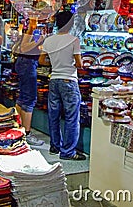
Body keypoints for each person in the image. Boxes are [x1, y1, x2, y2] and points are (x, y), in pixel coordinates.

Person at [39, 11, 86, 160]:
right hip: (69, 81)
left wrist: (53, 63)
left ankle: (55, 146)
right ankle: (68, 152)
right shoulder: (74, 40)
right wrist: (73, 63)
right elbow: (79, 64)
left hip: (54, 80)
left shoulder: (49, 40)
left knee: (54, 115)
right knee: (72, 117)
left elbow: (41, 61)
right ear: (70, 24)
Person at [14, 19, 45, 146]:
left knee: (23, 98)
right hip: (27, 64)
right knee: (29, 99)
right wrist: (39, 41)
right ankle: (26, 133)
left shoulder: (30, 31)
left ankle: (18, 127)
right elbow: (23, 48)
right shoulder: (30, 31)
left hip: (25, 63)